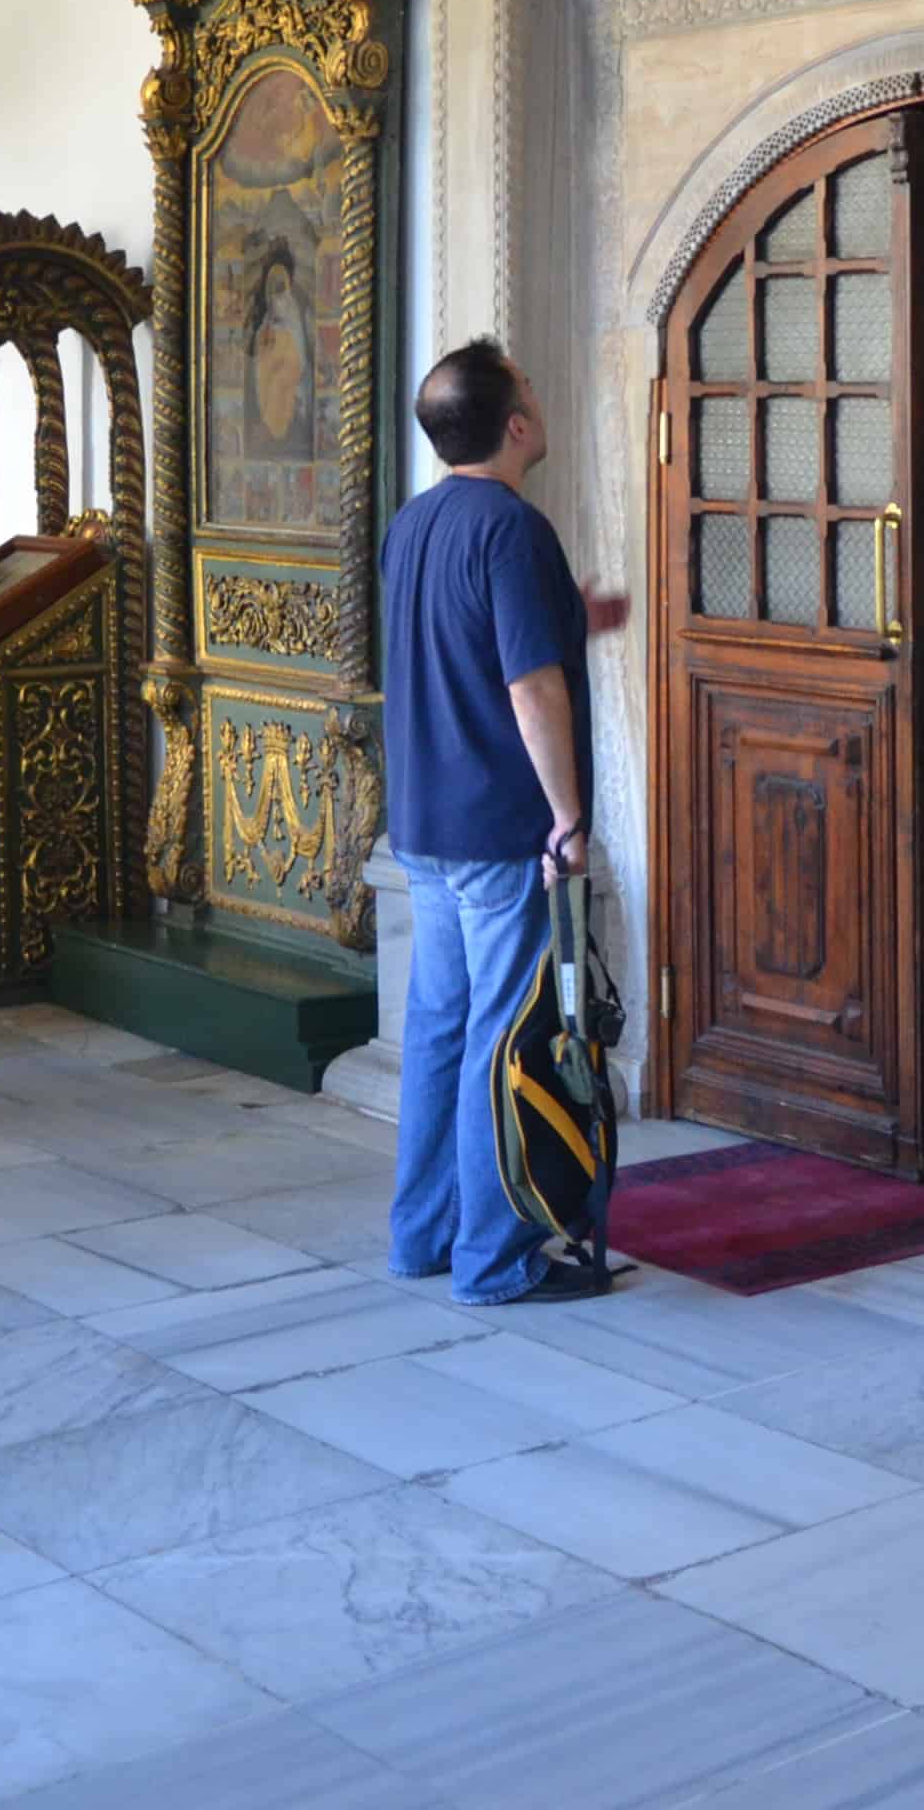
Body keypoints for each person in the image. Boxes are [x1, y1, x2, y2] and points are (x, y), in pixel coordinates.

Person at [380, 340, 628, 1303]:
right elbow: (530, 687)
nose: (538, 390)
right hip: (497, 829)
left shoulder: (415, 523)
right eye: (529, 384)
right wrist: (567, 820)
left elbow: (467, 633)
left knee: (439, 1028)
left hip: (427, 822)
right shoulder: (515, 529)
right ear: (515, 424)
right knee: (501, 1034)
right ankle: (494, 1260)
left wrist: (577, 616)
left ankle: (423, 1236)